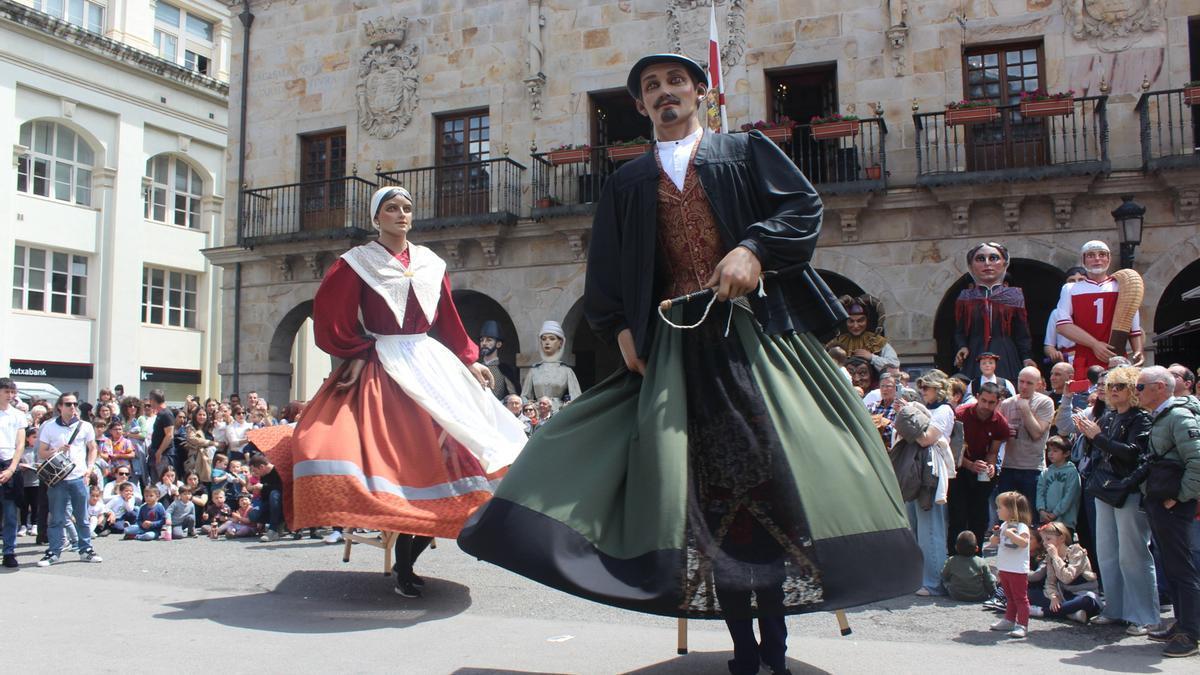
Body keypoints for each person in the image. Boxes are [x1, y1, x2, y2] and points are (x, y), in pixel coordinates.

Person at [458, 52, 921, 675]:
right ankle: (745, 649)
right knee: (704, 501)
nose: (665, 92)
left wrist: (754, 248)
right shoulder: (627, 182)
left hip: (755, 342)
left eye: (675, 81)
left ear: (700, 91)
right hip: (675, 353)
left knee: (778, 483)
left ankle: (776, 644)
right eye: (652, 87)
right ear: (641, 106)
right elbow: (606, 272)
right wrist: (621, 331)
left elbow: (802, 209)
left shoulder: (744, 151)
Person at [284, 183, 524, 591]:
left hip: (430, 361)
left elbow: (447, 317)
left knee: (465, 445)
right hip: (384, 361)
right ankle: (402, 561)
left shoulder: (431, 262)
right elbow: (331, 317)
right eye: (392, 208)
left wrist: (469, 359)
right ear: (376, 217)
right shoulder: (356, 263)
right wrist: (357, 352)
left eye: (407, 208)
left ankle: (408, 561)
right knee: (400, 460)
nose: (401, 214)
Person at [1076, 366, 1159, 633]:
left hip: (1129, 490)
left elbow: (1132, 454)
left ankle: (1145, 616)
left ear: (1133, 389)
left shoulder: (1141, 419)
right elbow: (1098, 451)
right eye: (1111, 385)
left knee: (1133, 555)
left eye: (1120, 386)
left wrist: (1096, 436)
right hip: (1105, 489)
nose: (1113, 390)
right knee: (1107, 553)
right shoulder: (1109, 417)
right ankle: (1115, 609)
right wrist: (1091, 436)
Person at [1136, 365, 1200, 658]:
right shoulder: (1161, 415)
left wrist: (1180, 497)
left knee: (1182, 569)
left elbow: (1197, 460)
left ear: (1159, 387)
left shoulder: (1178, 416)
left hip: (1173, 505)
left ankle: (1191, 633)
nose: (1137, 392)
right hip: (1160, 501)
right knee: (1171, 566)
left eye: (1140, 386)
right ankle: (1181, 623)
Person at [1055, 241, 1144, 391]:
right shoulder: (1070, 289)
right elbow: (1062, 325)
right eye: (1091, 255)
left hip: (1116, 357)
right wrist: (1095, 344)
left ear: (1109, 259)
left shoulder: (1122, 286)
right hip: (1085, 359)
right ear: (1083, 260)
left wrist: (1138, 350)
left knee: (1118, 396)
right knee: (1085, 399)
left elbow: (1133, 326)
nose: (1097, 259)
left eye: (1102, 255)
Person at [35, 393, 103, 566]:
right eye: (68, 404)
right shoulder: (49, 426)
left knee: (82, 517)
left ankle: (86, 550)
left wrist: (89, 468)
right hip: (58, 478)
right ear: (60, 406)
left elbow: (92, 448)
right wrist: (57, 450)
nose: (72, 407)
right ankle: (53, 552)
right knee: (57, 518)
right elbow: (41, 452)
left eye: (74, 404)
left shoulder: (85, 426)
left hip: (78, 476)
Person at [954, 242, 1034, 383]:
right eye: (980, 259)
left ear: (1005, 263)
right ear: (971, 266)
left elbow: (1022, 331)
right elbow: (959, 330)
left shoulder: (1014, 295)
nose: (987, 263)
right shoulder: (965, 296)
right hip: (975, 353)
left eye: (993, 258)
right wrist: (962, 346)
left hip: (1006, 354)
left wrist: (1026, 356)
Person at [949, 383, 1008, 554]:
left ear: (998, 402)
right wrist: (969, 465)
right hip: (959, 469)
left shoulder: (999, 422)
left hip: (981, 471)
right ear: (977, 397)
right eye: (983, 401)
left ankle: (976, 554)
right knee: (958, 516)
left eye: (991, 402)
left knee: (979, 517)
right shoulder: (960, 415)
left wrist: (990, 466)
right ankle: (954, 555)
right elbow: (952, 450)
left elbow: (993, 451)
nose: (986, 406)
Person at [997, 366, 1055, 520]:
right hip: (1008, 466)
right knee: (1007, 517)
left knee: (1030, 517)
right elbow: (997, 436)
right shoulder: (1007, 404)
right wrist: (1004, 432)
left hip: (1032, 468)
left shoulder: (1045, 402)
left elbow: (1036, 433)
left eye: (1029, 383)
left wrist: (1025, 409)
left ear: (1038, 384)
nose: (1023, 386)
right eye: (1021, 381)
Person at [1027, 521, 1100, 623]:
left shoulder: (1076, 552)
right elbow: (1050, 582)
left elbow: (1067, 577)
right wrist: (1053, 597)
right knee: (1031, 593)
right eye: (1043, 540)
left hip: (1082, 594)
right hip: (1064, 595)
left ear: (1061, 538)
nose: (1045, 543)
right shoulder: (1050, 557)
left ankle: (1043, 612)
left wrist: (1056, 557)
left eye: (1048, 539)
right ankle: (1072, 614)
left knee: (1087, 601)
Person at [989, 491, 1033, 638]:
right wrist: (994, 539)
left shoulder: (1022, 527)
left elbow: (1024, 543)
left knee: (1020, 598)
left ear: (1012, 509)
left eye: (1000, 507)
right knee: (1009, 597)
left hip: (1018, 569)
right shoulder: (1004, 525)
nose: (997, 510)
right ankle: (1009, 620)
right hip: (1005, 567)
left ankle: (1022, 624)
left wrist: (1011, 534)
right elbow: (996, 543)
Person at [825, 294, 899, 374]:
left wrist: (872, 358)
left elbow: (894, 365)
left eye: (860, 321)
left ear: (867, 320)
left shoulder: (877, 341)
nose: (855, 326)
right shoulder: (836, 342)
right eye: (851, 321)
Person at [520, 320, 582, 413]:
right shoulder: (534, 370)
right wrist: (530, 407)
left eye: (552, 339)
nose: (547, 342)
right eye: (544, 339)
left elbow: (576, 397)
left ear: (560, 342)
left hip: (558, 412)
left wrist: (566, 407)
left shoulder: (566, 371)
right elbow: (524, 396)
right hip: (537, 412)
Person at [0, 377, 27, 568]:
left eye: (12, 392)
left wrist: (11, 469)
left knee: (10, 513)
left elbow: (20, 444)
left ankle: (9, 551)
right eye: (6, 391)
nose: (10, 395)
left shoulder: (18, 415)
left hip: (10, 464)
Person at [1043, 267, 1088, 365]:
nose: (1076, 284)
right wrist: (1054, 354)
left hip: (1090, 359)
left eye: (1081, 280)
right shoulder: (1057, 313)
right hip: (1066, 362)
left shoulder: (1094, 308)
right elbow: (1048, 346)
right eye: (1071, 281)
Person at [1036, 436, 1081, 532]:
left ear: (1066, 453)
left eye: (1055, 451)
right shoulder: (1046, 472)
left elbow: (1070, 496)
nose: (1050, 454)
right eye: (1049, 450)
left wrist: (1055, 513)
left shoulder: (1072, 472)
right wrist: (1041, 510)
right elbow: (1040, 492)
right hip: (1046, 520)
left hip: (1065, 522)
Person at [941, 531, 995, 602]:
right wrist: (993, 592)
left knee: (946, 581)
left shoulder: (951, 560)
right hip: (979, 596)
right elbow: (989, 581)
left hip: (956, 595)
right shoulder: (981, 561)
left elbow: (944, 575)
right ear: (977, 548)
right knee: (993, 577)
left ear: (956, 547)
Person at [477, 320, 519, 401]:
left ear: (498, 344)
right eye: (482, 340)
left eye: (489, 340)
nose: (484, 343)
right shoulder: (476, 367)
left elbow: (513, 395)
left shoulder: (505, 369)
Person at [248, 455, 284, 542]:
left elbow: (283, 488)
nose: (254, 473)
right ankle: (278, 524)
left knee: (274, 494)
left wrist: (263, 487)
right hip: (270, 504)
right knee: (253, 515)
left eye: (255, 470)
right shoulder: (263, 475)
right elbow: (265, 497)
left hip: (284, 504)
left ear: (262, 467)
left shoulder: (279, 470)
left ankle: (273, 530)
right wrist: (258, 490)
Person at [147, 390, 175, 483]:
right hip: (156, 452)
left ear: (153, 400)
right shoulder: (160, 414)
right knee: (156, 483)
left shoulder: (166, 414)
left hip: (164, 455)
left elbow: (169, 435)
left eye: (150, 399)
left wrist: (159, 452)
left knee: (164, 481)